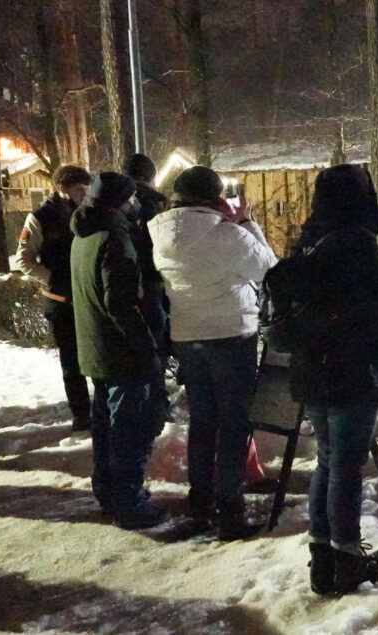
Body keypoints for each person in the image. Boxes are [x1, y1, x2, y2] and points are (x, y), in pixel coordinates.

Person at [290, 164, 378, 595]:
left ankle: (322, 559)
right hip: (351, 371)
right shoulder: (358, 242)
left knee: (327, 460)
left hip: (312, 368)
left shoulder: (309, 238)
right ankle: (348, 559)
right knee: (346, 468)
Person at [148, 166, 276, 540]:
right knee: (234, 424)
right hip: (231, 335)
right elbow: (268, 269)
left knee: (203, 422)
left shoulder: (160, 232)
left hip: (188, 336)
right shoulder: (226, 233)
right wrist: (246, 221)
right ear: (215, 197)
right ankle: (230, 508)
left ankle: (201, 501)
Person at [69, 172, 165, 529]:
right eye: (131, 198)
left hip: (96, 349)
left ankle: (108, 493)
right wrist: (147, 350)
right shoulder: (114, 238)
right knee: (129, 432)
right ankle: (130, 505)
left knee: (106, 429)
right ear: (120, 202)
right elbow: (120, 304)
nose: (135, 204)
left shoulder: (83, 233)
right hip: (121, 354)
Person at [14, 165, 94, 431]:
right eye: (79, 189)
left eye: (86, 189)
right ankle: (81, 414)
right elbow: (24, 259)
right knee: (71, 361)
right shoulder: (40, 218)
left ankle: (102, 412)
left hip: (89, 298)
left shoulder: (91, 213)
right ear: (62, 189)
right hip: (62, 302)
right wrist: (53, 279)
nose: (84, 194)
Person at [122, 153, 172, 422]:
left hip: (124, 286)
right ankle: (156, 404)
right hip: (151, 284)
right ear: (150, 177)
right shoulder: (152, 205)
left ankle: (138, 403)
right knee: (155, 347)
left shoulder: (115, 204)